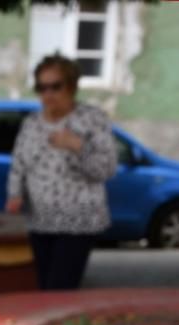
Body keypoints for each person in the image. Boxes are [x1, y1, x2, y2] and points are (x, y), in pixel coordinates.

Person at [6, 54, 117, 290]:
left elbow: (106, 169)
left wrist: (78, 147)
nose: (48, 94)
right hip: (40, 220)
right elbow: (19, 163)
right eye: (41, 87)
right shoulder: (32, 124)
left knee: (60, 288)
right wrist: (14, 194)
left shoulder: (92, 119)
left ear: (72, 86)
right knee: (46, 287)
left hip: (78, 222)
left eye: (55, 86)